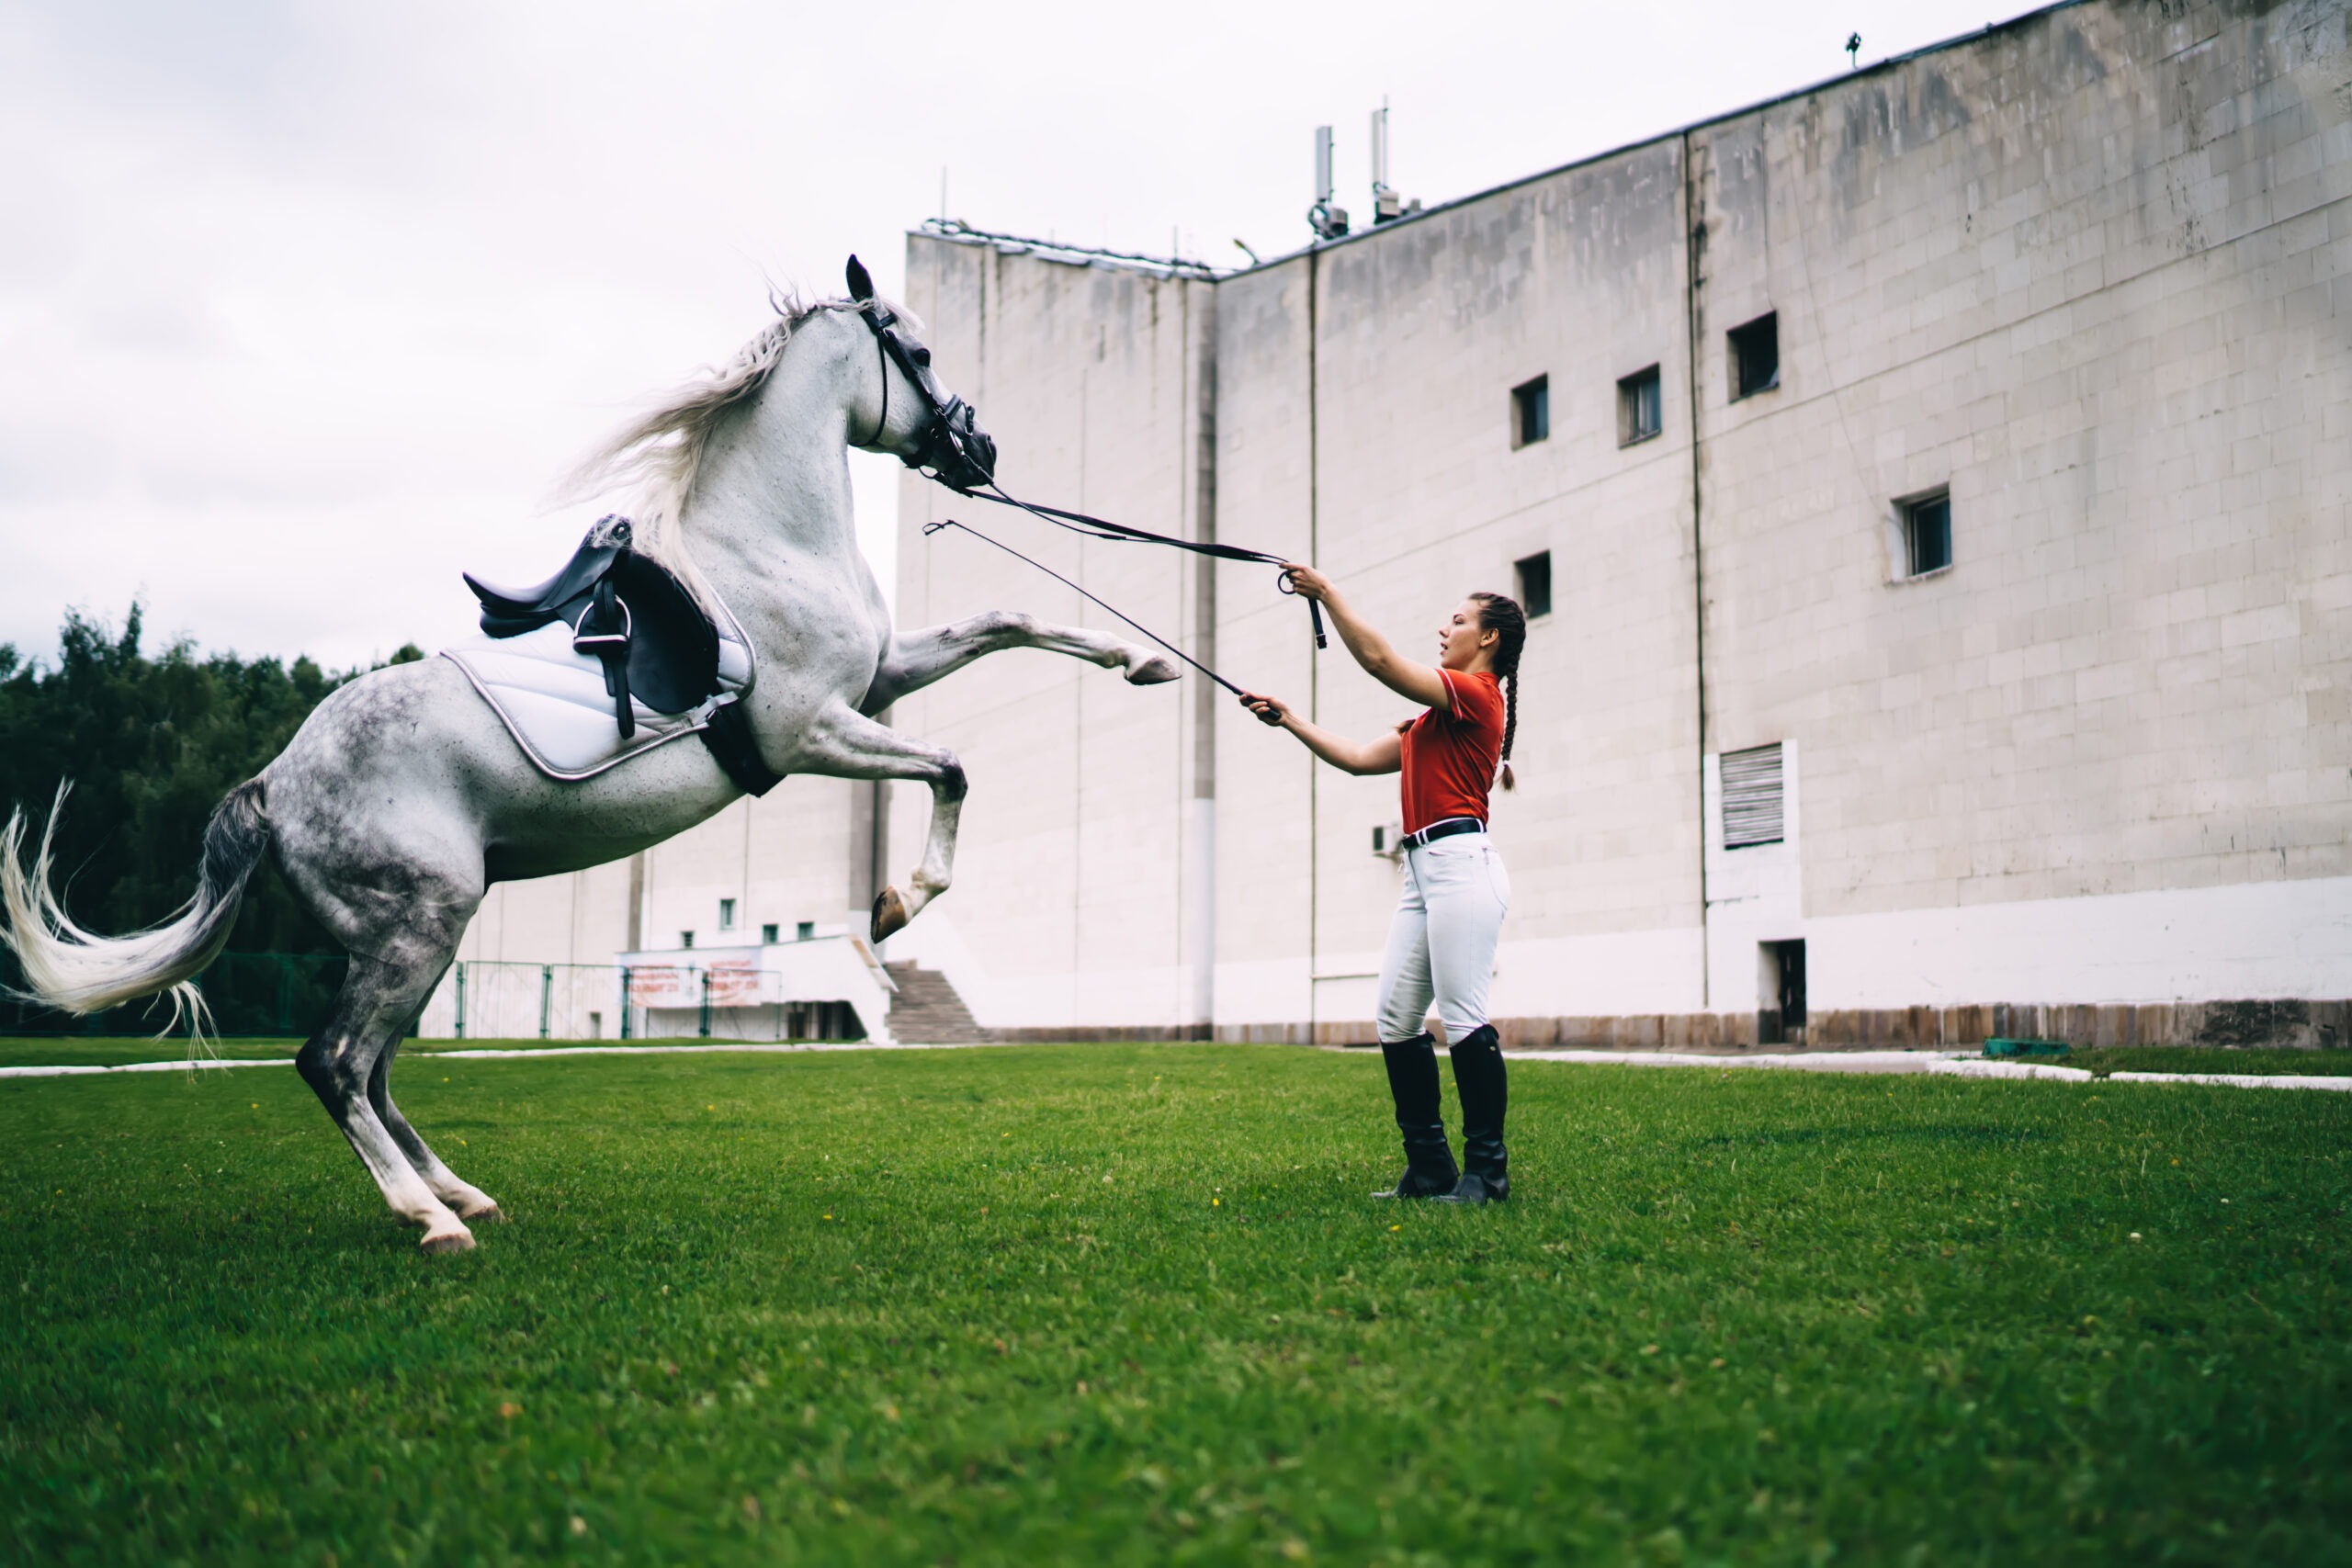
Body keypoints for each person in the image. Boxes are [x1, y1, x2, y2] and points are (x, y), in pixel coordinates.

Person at [1240, 568, 1526, 1204]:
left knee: (1463, 1017)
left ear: (1488, 641)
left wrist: (1327, 594)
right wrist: (1288, 719)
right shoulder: (1431, 721)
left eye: (1457, 620)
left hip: (1462, 866)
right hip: (1422, 872)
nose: (1444, 628)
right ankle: (1430, 1169)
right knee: (1397, 1020)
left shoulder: (1477, 695)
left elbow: (1377, 660)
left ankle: (1488, 1172)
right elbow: (1356, 757)